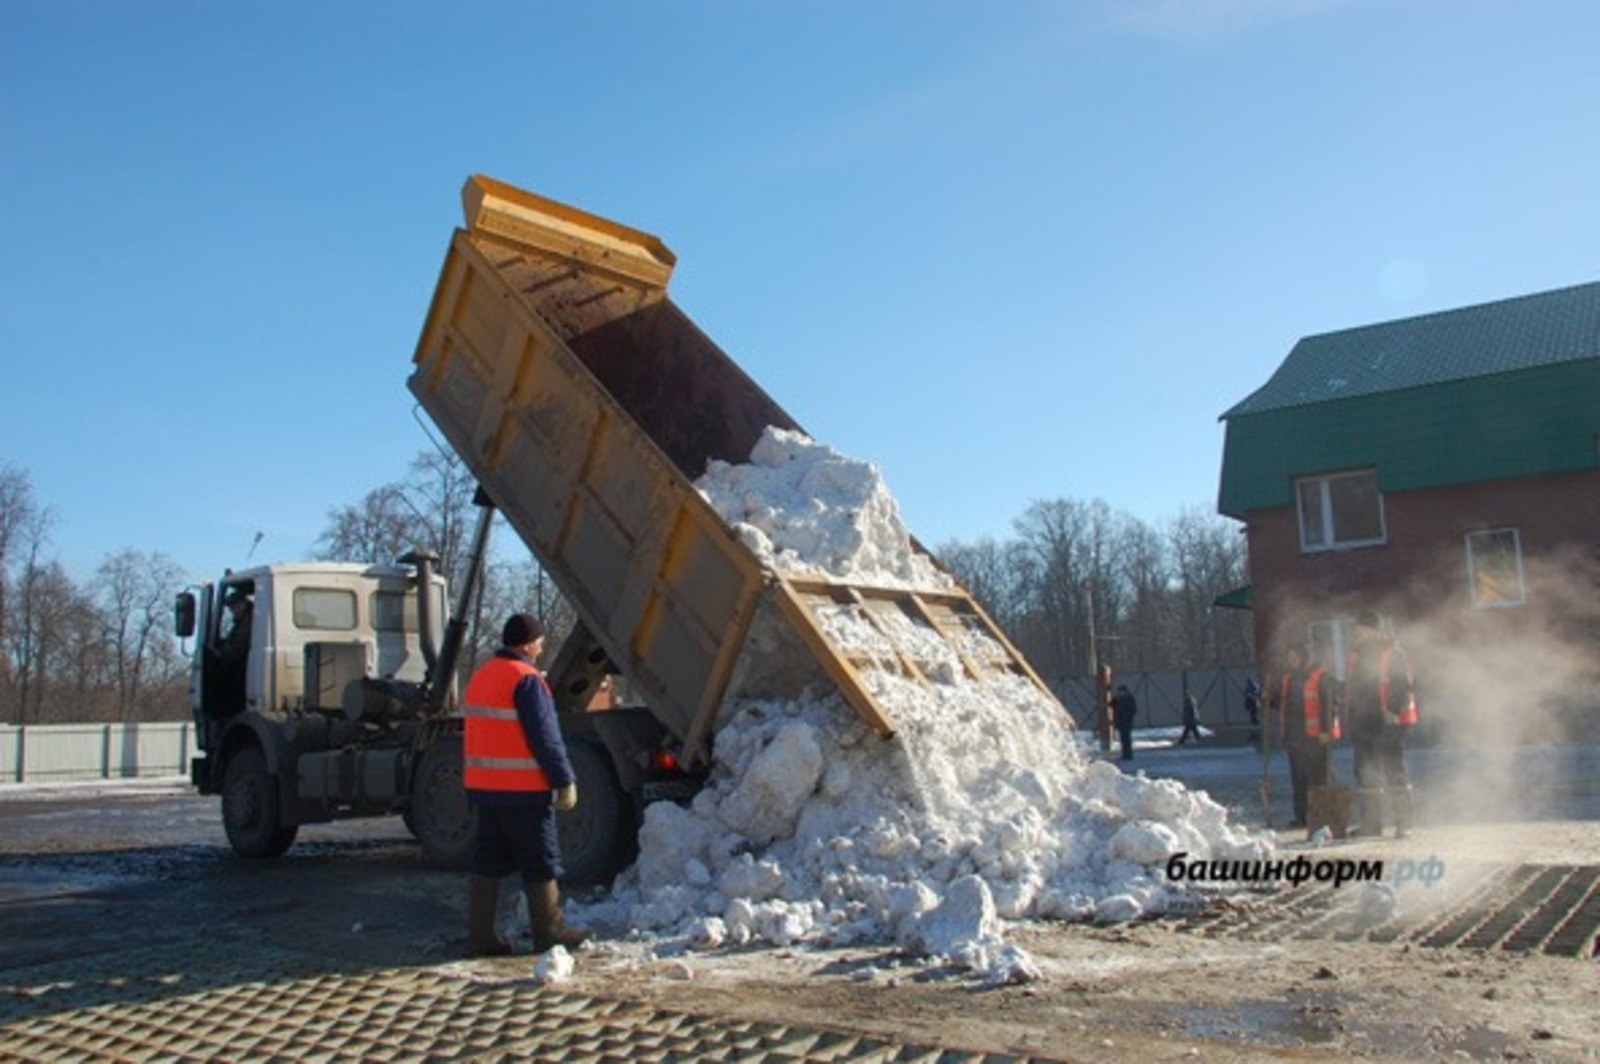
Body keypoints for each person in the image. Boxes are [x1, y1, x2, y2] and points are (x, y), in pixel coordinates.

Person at [462, 612, 589, 957]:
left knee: (488, 859)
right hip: (523, 790)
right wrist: (563, 779)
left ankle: (480, 936)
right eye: (540, 642)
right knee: (540, 859)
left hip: (486, 788)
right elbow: (545, 736)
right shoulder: (526, 679)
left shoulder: (482, 676)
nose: (541, 648)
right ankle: (549, 931)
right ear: (529, 644)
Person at [1344, 610, 1418, 839]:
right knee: (1366, 775)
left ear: (1373, 629)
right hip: (1363, 721)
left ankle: (1404, 824)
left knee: (1394, 772)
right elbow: (1354, 686)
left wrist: (1393, 710)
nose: (1358, 633)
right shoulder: (1356, 655)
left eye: (1361, 628)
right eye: (1357, 629)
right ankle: (1371, 824)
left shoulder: (1392, 653)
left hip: (1388, 721)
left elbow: (1402, 685)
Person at [1273, 644, 1337, 828]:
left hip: (1316, 737)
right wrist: (1268, 698)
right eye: (1289, 658)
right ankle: (1301, 816)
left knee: (1320, 778)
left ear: (1304, 658)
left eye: (1295, 657)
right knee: (1299, 779)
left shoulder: (1320, 677)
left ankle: (1322, 816)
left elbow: (1329, 705)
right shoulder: (1289, 679)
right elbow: (1284, 704)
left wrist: (1326, 731)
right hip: (1295, 737)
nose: (1292, 661)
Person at [1111, 684, 1138, 761]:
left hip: (1126, 722)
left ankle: (1128, 755)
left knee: (1127, 739)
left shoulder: (1129, 699)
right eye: (1119, 692)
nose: (1120, 693)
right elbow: (1111, 705)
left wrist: (1128, 716)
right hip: (1121, 722)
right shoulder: (1119, 699)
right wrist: (1115, 698)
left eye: (1121, 691)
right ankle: (1125, 754)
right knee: (1123, 739)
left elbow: (1133, 709)